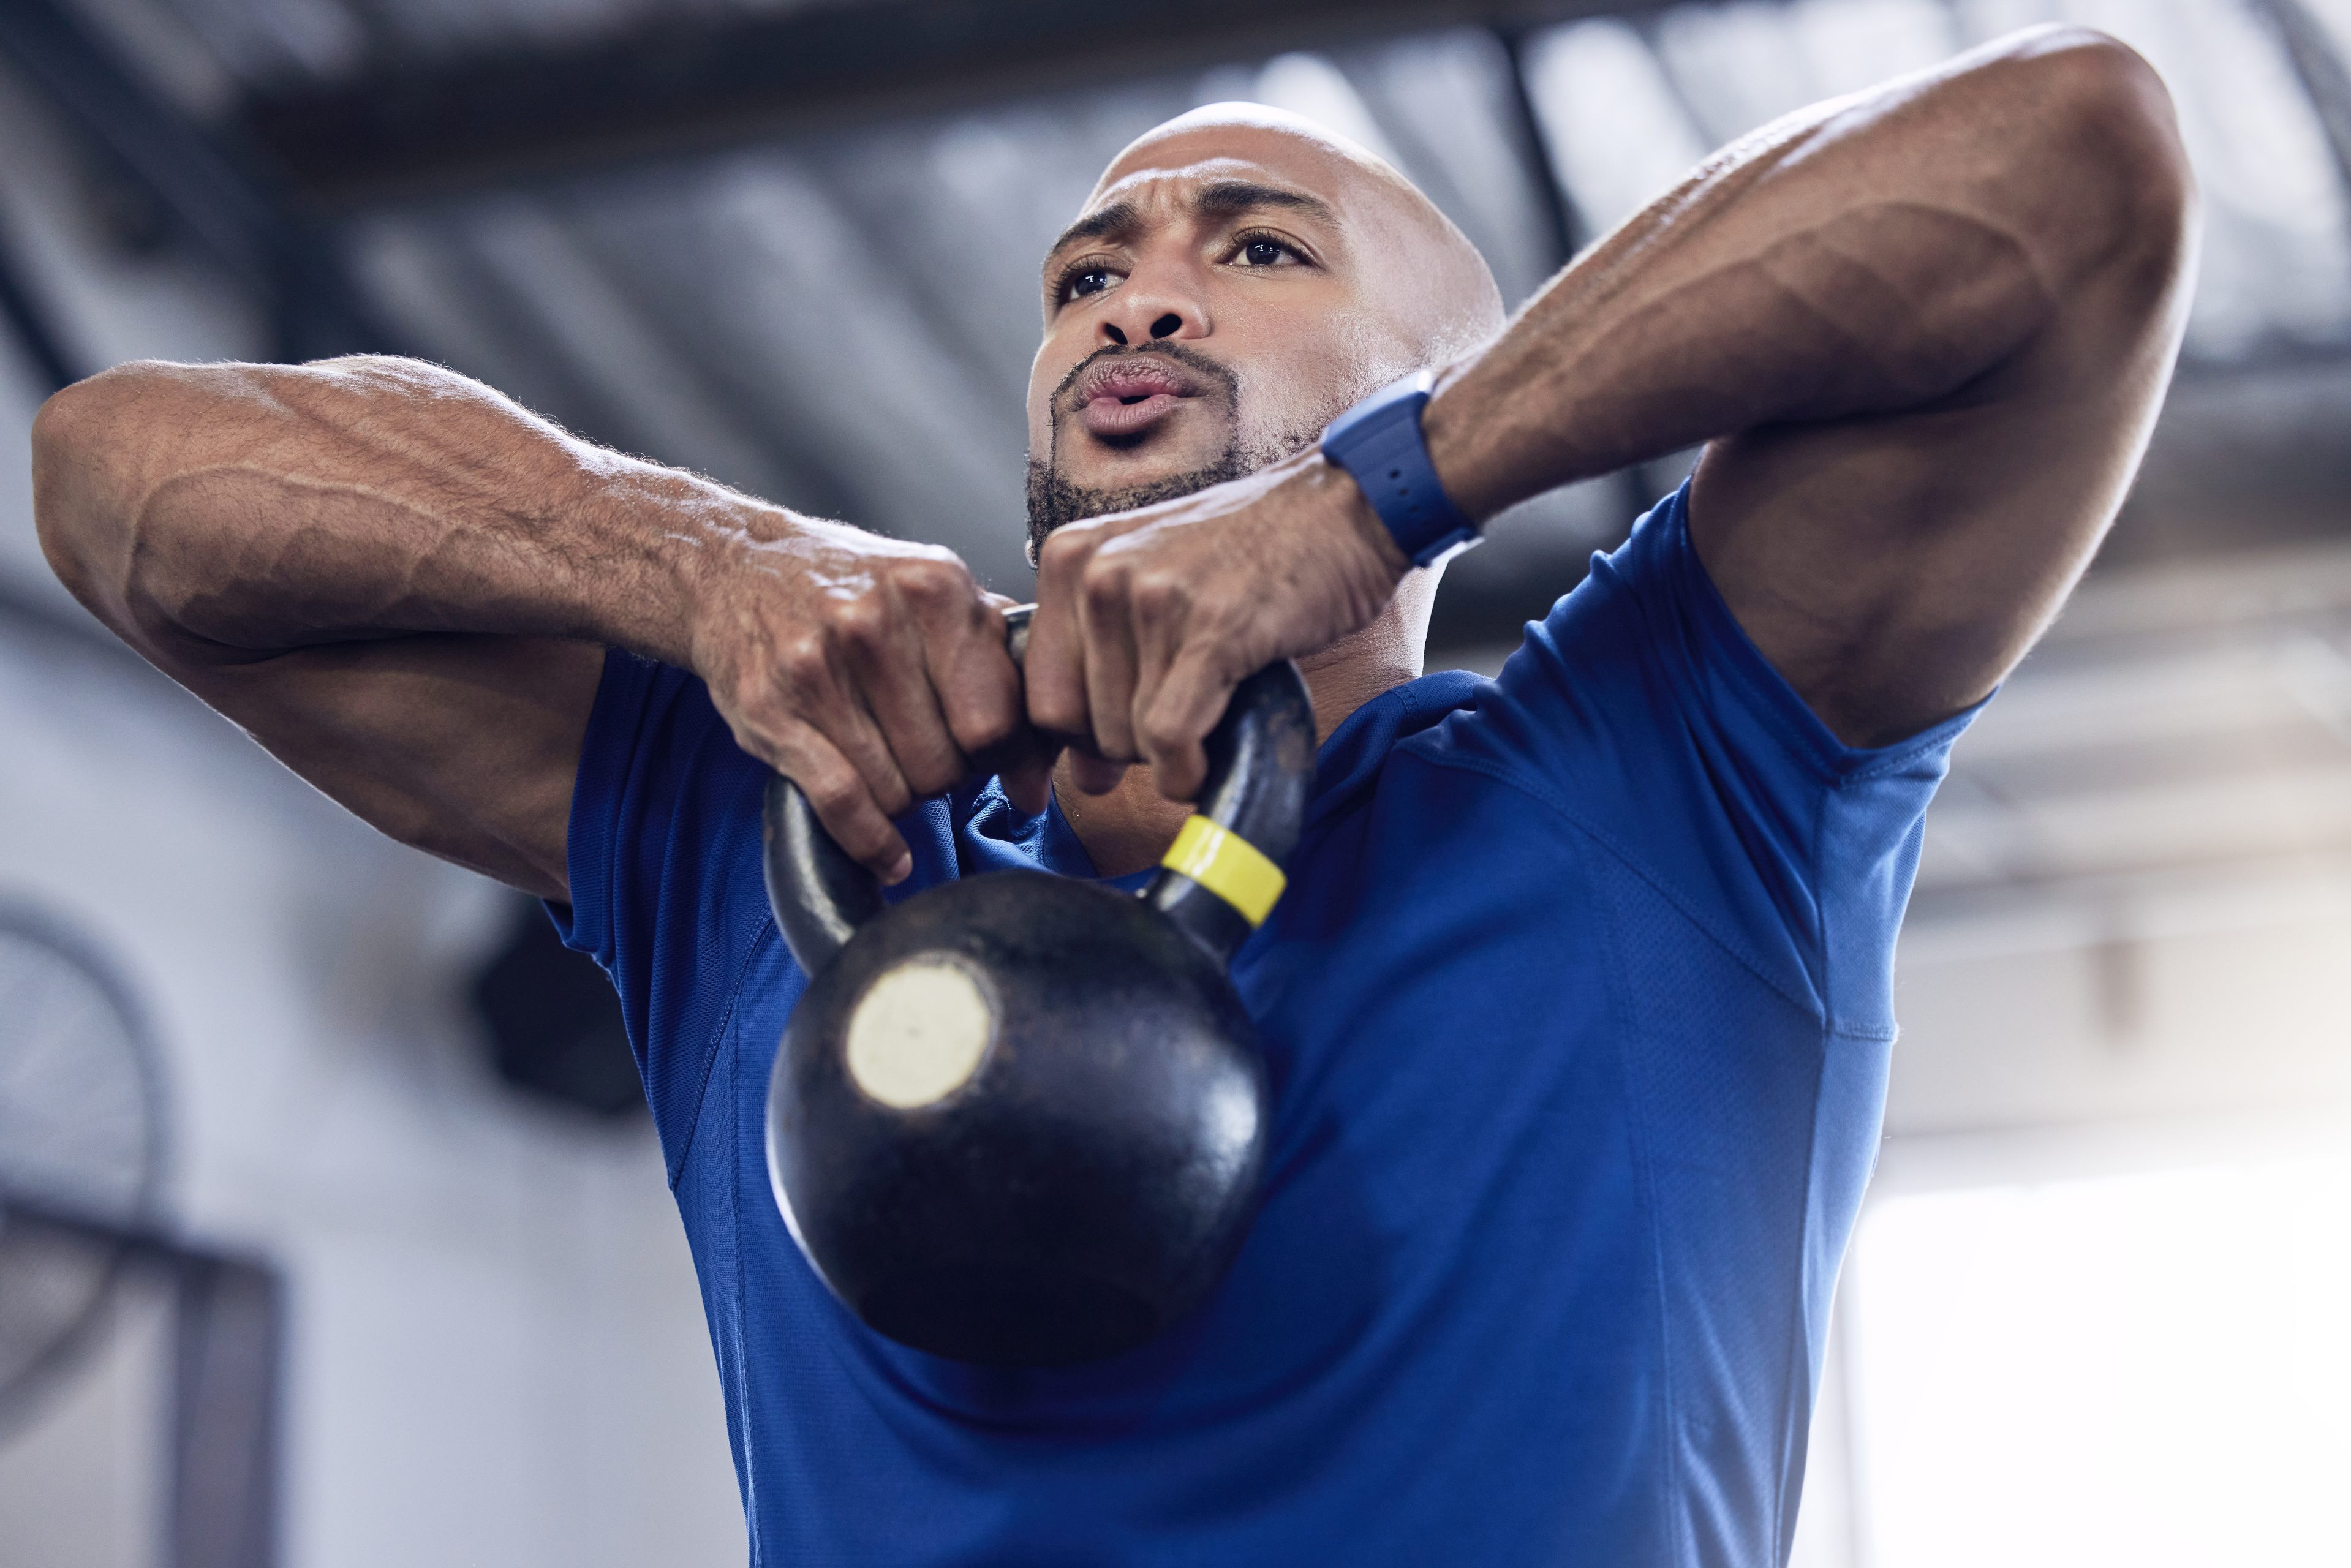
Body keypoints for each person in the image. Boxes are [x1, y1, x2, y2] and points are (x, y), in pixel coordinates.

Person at [32, 23, 2192, 1565]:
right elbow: (118, 485)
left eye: (1260, 250)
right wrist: (690, 565)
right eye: (1088, 270)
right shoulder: (784, 828)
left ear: (1446, 378)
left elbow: (2073, 162)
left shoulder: (1666, 787)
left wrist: (1381, 499)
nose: (1136, 288)